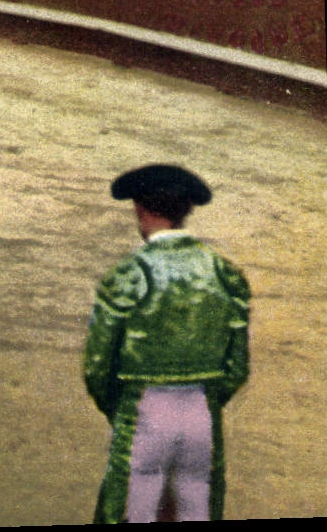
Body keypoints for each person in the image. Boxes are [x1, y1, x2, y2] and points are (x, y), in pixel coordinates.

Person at [83, 165, 250, 524]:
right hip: (202, 415)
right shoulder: (226, 274)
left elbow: (96, 368)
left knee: (131, 513)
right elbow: (237, 368)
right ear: (187, 211)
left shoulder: (128, 274)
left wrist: (123, 411)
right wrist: (206, 398)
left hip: (143, 413)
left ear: (139, 209)